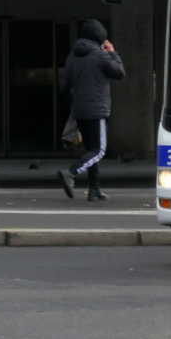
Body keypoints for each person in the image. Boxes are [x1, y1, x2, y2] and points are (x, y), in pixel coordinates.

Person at [57, 19, 124, 202]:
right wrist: (112, 53)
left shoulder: (72, 56)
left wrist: (77, 99)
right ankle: (70, 172)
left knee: (91, 149)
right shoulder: (101, 56)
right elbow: (119, 73)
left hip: (80, 110)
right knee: (99, 150)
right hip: (97, 110)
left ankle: (94, 189)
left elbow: (64, 86)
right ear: (100, 37)